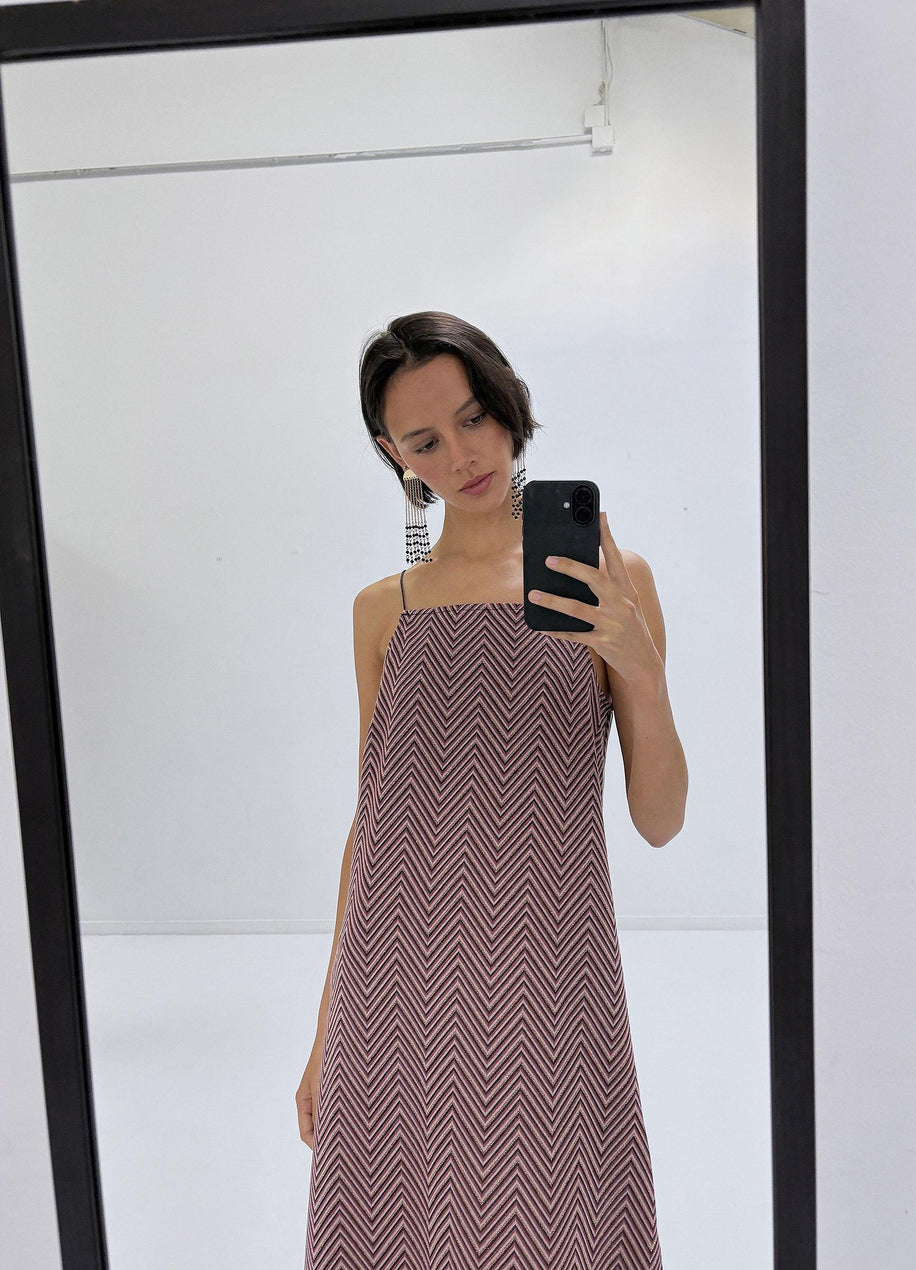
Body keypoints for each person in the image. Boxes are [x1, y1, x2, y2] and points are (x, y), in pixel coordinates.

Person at [299, 312, 686, 1269]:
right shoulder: (383, 610)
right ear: (393, 455)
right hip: (392, 994)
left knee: (563, 1223)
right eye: (424, 440)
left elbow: (660, 820)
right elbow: (372, 827)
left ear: (508, 404)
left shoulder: (612, 580)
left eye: (473, 418)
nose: (462, 455)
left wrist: (638, 667)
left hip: (549, 980)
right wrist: (324, 1031)